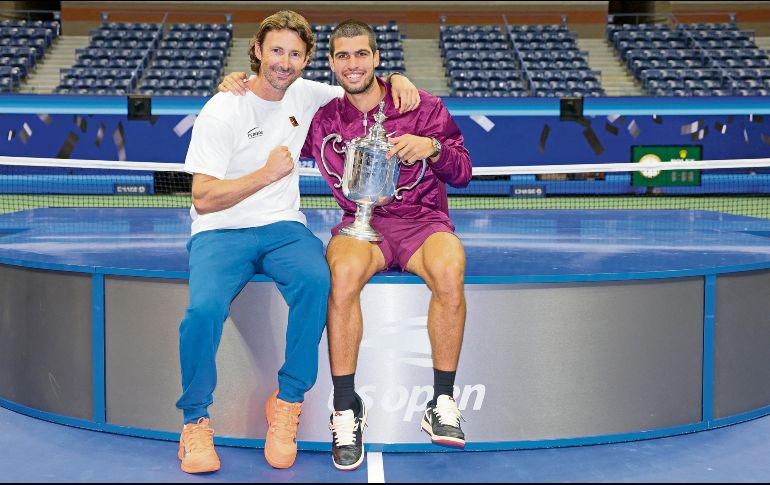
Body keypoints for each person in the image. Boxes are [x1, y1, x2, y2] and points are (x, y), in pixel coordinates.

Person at [221, 18, 472, 472]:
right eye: (342, 56)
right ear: (331, 64)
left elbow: (463, 172)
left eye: (361, 55)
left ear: (377, 58)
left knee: (451, 268)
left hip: (423, 223)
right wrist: (241, 83)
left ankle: (442, 401)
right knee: (341, 275)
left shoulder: (422, 105)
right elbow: (267, 117)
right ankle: (345, 408)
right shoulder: (322, 117)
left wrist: (432, 146)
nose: (352, 64)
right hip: (361, 227)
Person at [176, 10, 419, 474]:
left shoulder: (309, 94)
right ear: (257, 52)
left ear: (308, 59)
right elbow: (204, 197)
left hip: (283, 228)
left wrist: (398, 77)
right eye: (276, 51)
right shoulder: (223, 107)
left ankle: (287, 404)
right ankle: (194, 423)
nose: (284, 62)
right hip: (219, 230)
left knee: (316, 282)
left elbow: (360, 83)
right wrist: (265, 175)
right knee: (202, 312)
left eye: (294, 53)